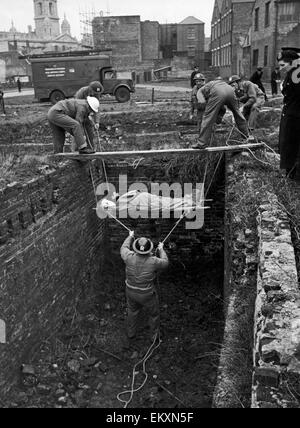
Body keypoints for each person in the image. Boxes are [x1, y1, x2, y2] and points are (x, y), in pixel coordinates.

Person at [120, 231, 169, 344]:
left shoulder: (128, 257)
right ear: (149, 249)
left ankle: (131, 333)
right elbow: (166, 263)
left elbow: (124, 247)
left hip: (130, 291)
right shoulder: (154, 261)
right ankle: (154, 337)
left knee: (132, 311)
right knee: (154, 314)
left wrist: (130, 236)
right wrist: (161, 249)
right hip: (147, 294)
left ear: (135, 248)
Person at [192, 78, 251, 149]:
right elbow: (222, 106)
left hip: (218, 92)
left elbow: (201, 102)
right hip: (230, 90)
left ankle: (201, 143)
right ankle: (246, 136)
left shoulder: (201, 90)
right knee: (238, 114)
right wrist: (219, 117)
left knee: (208, 117)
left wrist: (206, 108)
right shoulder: (216, 83)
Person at [277, 48, 300, 181]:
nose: (280, 68)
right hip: (290, 115)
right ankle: (290, 172)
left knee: (293, 146)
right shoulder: (292, 73)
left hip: (296, 118)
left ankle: (294, 175)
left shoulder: (296, 75)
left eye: (283, 65)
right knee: (287, 145)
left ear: (292, 63)